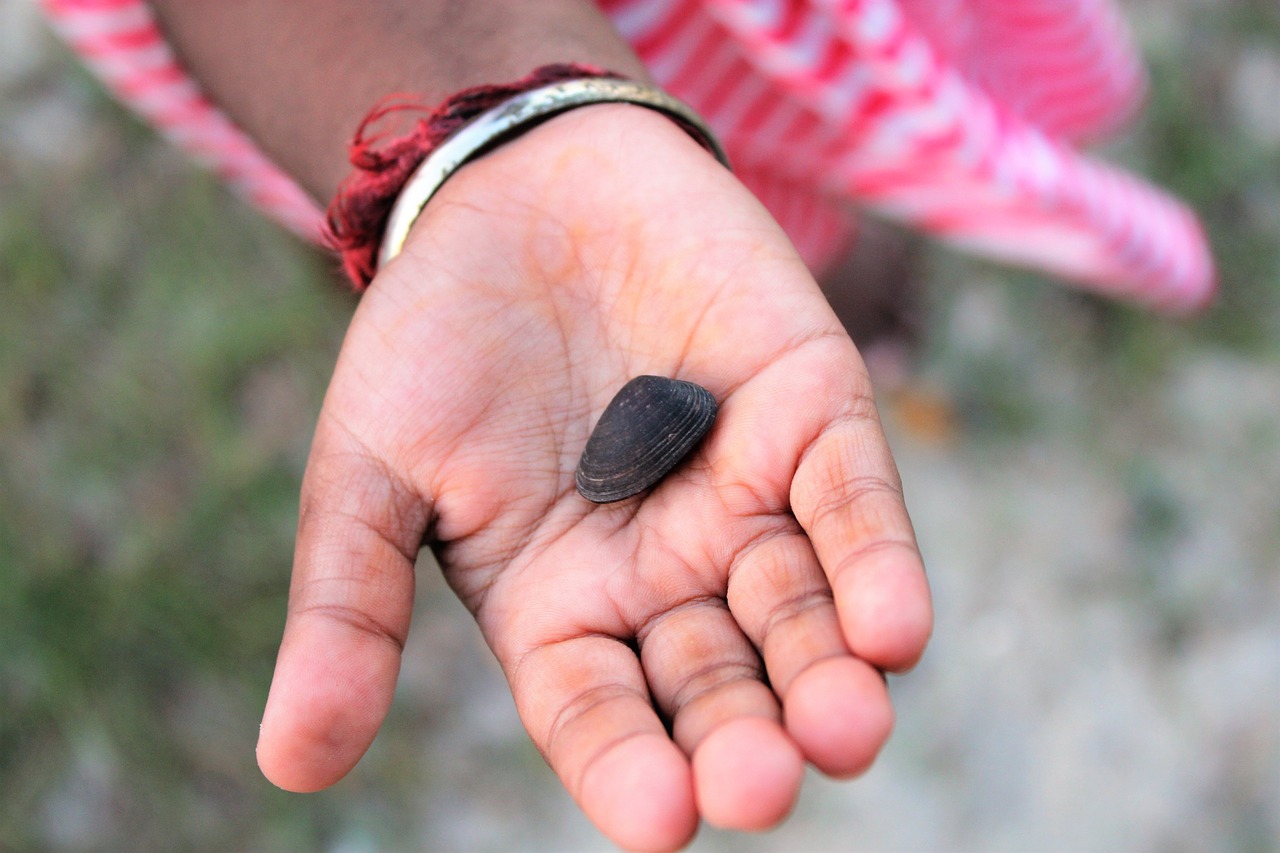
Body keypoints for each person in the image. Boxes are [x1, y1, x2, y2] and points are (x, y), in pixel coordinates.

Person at [38, 1, 1214, 850]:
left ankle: (857, 244)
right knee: (443, 231)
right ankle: (449, 225)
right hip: (347, 45)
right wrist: (472, 144)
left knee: (811, 188)